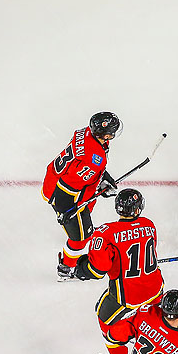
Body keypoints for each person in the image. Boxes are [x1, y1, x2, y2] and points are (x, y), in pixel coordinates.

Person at [73, 188, 165, 354]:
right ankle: (158, 339)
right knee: (155, 318)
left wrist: (81, 267)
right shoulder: (149, 225)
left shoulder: (106, 234)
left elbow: (97, 271)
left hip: (128, 295)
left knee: (103, 316)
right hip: (156, 288)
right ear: (139, 209)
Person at [42, 111, 122, 281]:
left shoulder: (85, 132)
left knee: (82, 230)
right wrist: (65, 210)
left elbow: (79, 167)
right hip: (65, 196)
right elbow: (70, 183)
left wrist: (101, 178)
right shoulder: (94, 158)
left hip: (54, 177)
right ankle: (66, 268)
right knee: (80, 239)